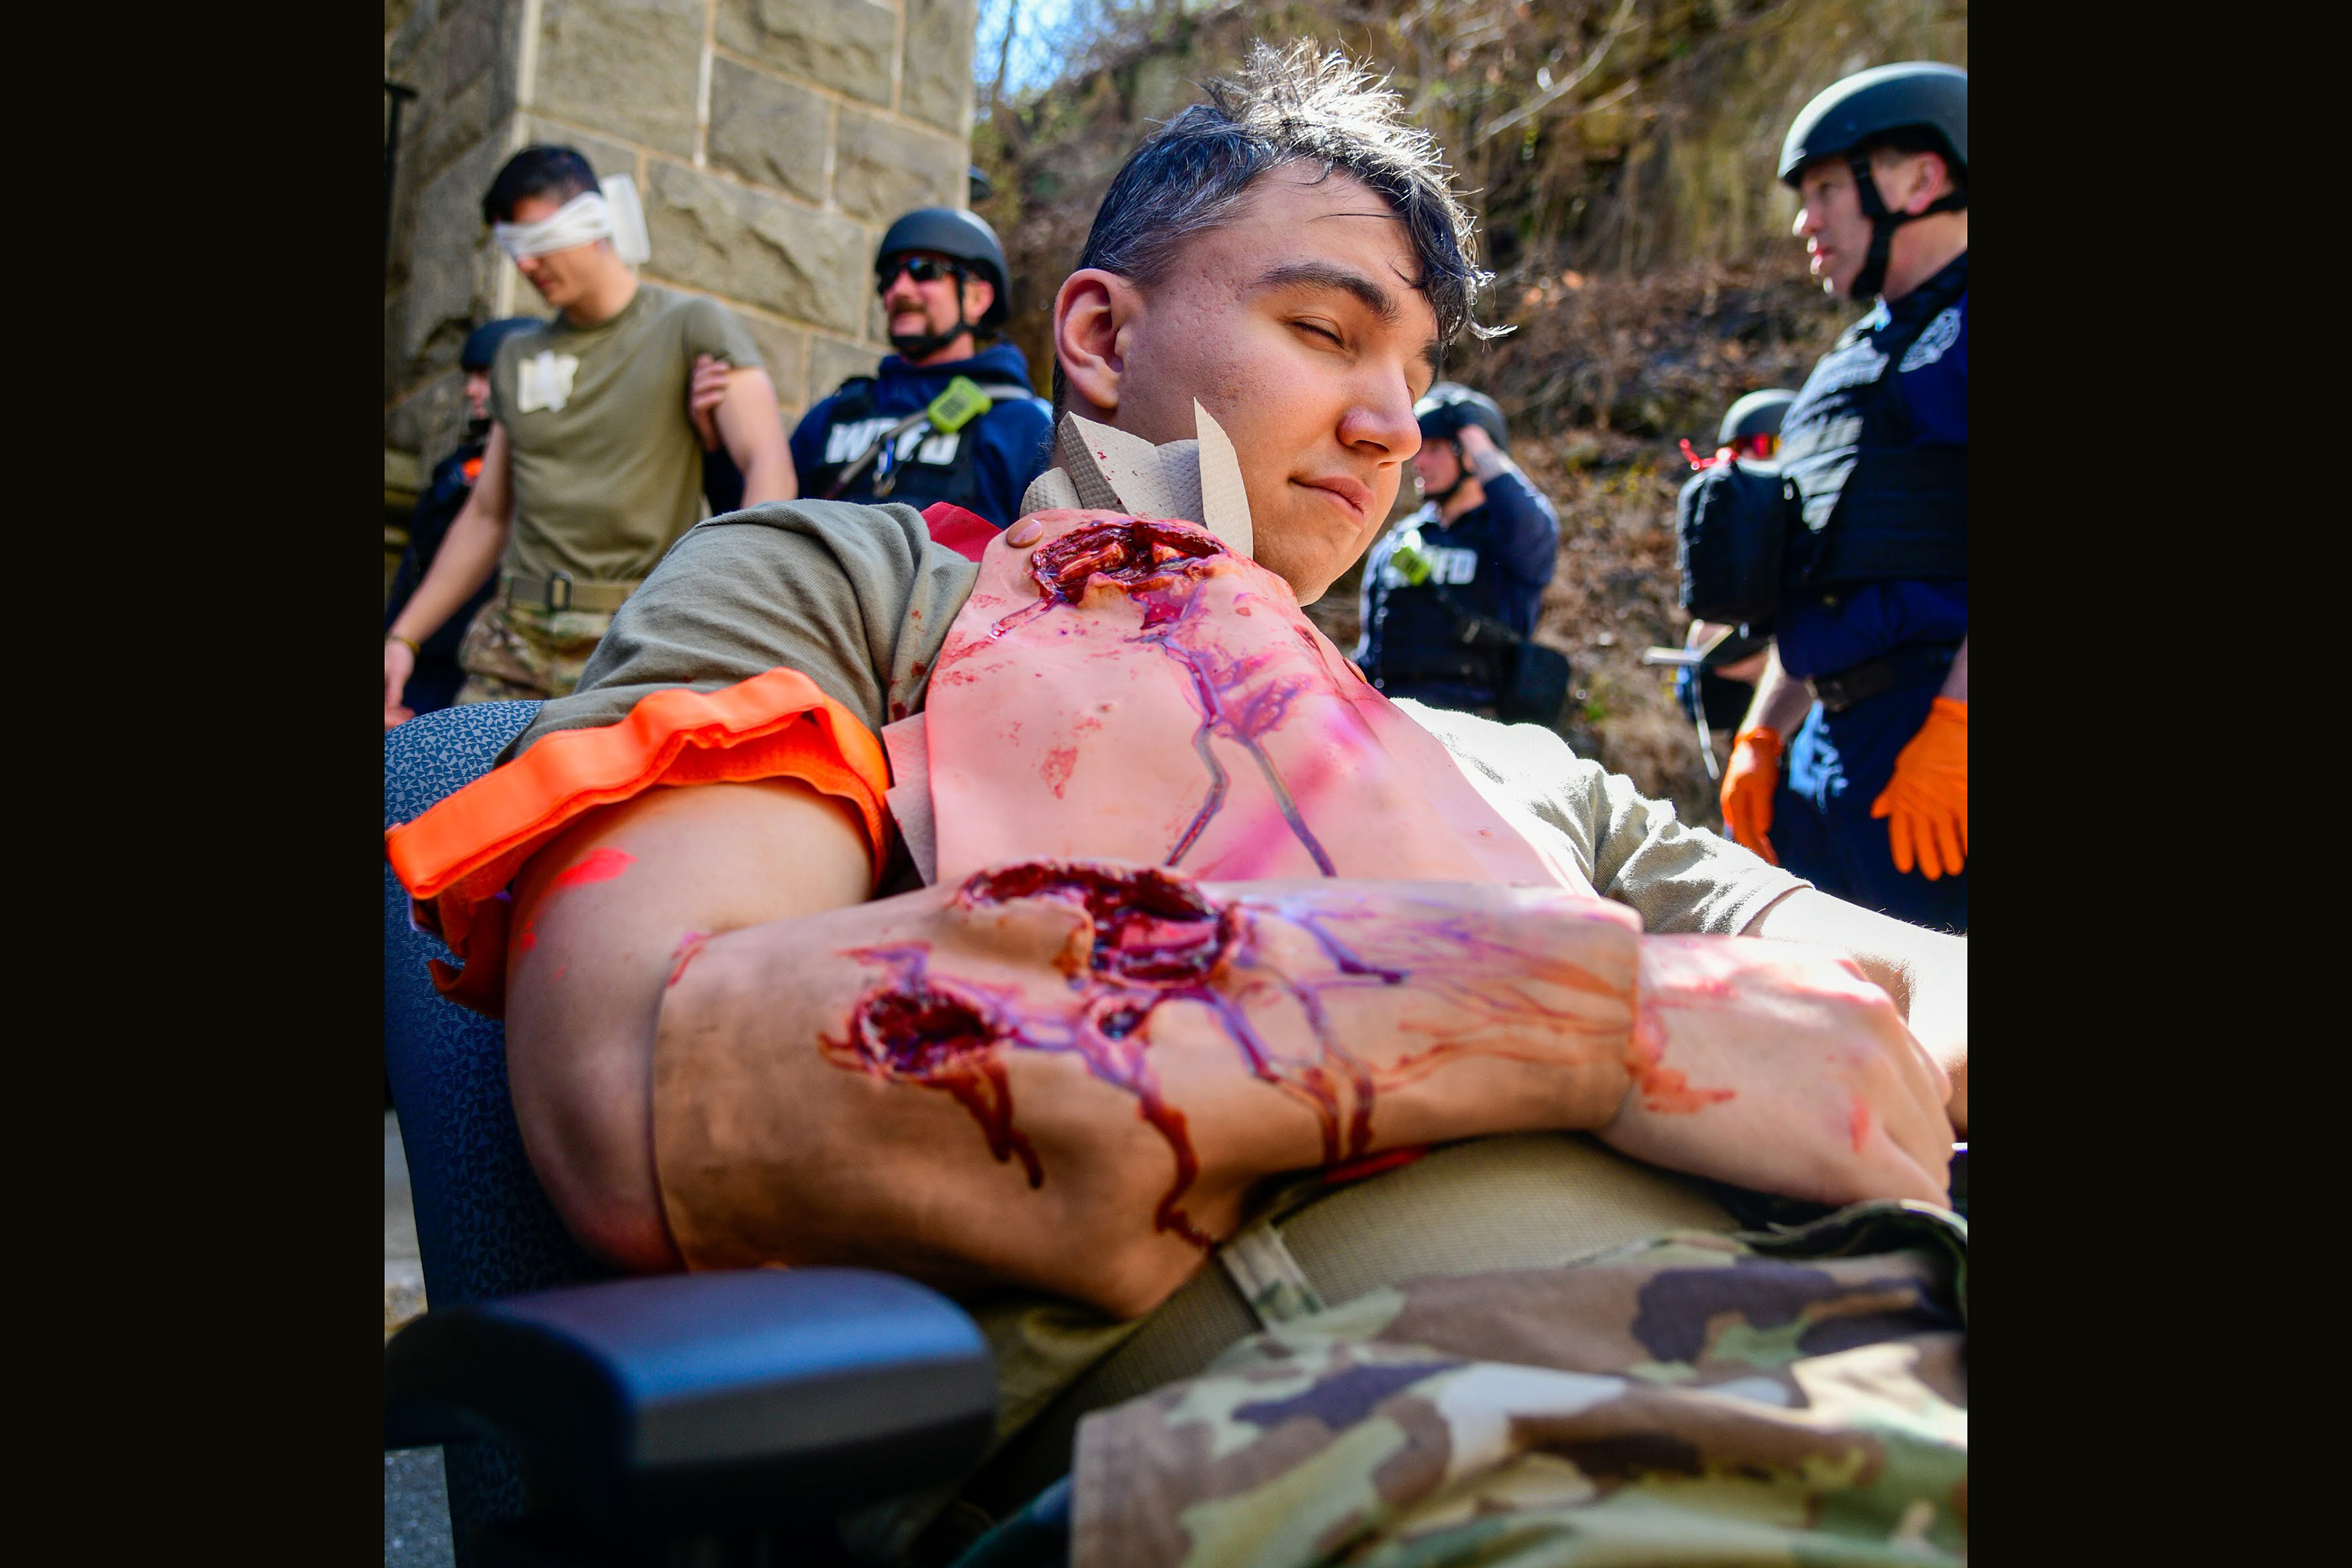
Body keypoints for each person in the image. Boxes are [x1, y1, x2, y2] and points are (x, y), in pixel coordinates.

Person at [388, 45, 1965, 1562]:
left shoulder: (1488, 758)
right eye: (1326, 330)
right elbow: (655, 1079)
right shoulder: (863, 599)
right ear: (1092, 332)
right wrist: (1585, 1017)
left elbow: (1903, 967)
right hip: (1430, 1438)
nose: (1390, 423)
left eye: (1415, 376)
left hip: (1899, 1349)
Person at [381, 145, 795, 726]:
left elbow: (768, 468)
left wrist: (729, 610)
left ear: (595, 222)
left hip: (629, 643)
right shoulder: (516, 356)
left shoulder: (691, 326)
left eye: (536, 240)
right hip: (511, 643)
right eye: (511, 248)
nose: (524, 266)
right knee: (458, 807)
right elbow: (487, 515)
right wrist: (403, 637)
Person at [1720, 62, 1969, 930]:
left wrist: (1957, 728)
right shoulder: (1842, 367)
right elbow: (1824, 568)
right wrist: (1762, 735)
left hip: (1942, 735)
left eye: (1826, 187)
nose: (1803, 219)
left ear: (1922, 179)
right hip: (1828, 753)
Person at [746, 207, 1053, 529]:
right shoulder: (833, 414)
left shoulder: (1024, 426)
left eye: (924, 270)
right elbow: (757, 532)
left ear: (977, 298)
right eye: (890, 277)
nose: (899, 291)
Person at [1353, 383, 1562, 716]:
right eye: (1419, 448)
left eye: (1435, 448)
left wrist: (1476, 434)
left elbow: (1535, 525)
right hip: (1391, 723)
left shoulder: (1508, 536)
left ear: (1472, 456)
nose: (1418, 462)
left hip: (1478, 731)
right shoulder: (1399, 542)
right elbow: (1370, 651)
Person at [383, 317, 542, 722]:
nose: (472, 390)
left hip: (481, 659)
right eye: (471, 377)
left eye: (486, 377)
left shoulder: (537, 471)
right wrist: (398, 636)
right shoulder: (457, 465)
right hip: (420, 649)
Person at [1671, 388, 1793, 753]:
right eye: (1747, 446)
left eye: (1771, 443)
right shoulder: (1718, 512)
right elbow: (1702, 709)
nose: (1758, 456)